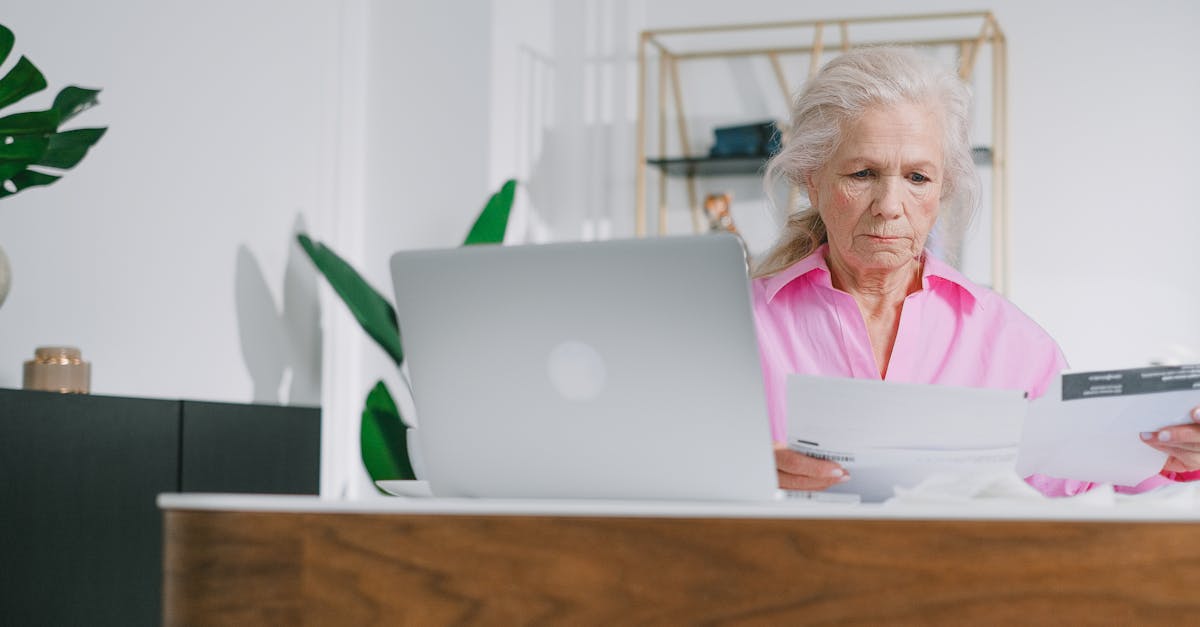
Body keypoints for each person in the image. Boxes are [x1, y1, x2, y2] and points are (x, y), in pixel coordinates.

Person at [753, 46, 1200, 497]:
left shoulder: (1012, 341)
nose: (889, 207)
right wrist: (742, 473)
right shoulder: (737, 326)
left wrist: (1176, 457)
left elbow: (1084, 489)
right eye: (863, 173)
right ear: (813, 178)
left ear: (943, 188)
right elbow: (684, 465)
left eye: (917, 178)